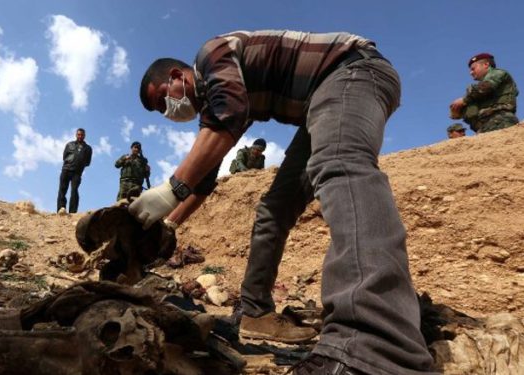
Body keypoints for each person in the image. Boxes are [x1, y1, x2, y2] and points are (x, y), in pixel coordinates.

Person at [132, 30, 436, 374]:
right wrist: (168, 223)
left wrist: (170, 189)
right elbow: (202, 180)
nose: (167, 111)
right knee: (273, 210)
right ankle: (255, 312)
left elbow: (226, 117)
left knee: (340, 163)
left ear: (176, 77)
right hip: (319, 102)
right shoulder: (222, 99)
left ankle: (376, 345)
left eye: (162, 100)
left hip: (352, 71)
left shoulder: (213, 55)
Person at [450, 53, 519, 134]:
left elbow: (486, 87)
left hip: (499, 121)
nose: (471, 72)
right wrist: (458, 110)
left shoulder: (498, 73)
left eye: (473, 69)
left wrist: (464, 100)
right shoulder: (477, 93)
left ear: (486, 64)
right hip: (486, 125)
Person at [57, 128, 92, 213]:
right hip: (66, 169)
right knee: (62, 190)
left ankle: (72, 212)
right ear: (76, 135)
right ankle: (61, 209)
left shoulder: (88, 148)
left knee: (74, 191)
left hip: (77, 173)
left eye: (82, 135)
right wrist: (69, 163)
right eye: (79, 134)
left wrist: (80, 165)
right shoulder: (69, 144)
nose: (80, 136)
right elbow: (64, 156)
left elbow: (87, 162)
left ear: (84, 136)